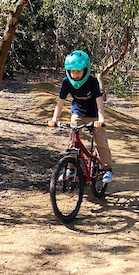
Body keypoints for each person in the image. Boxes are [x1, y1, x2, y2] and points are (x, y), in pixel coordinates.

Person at [48, 50, 114, 183]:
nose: (75, 74)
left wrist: (101, 120)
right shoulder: (66, 82)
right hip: (78, 113)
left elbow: (99, 101)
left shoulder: (92, 82)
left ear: (86, 69)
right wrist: (54, 119)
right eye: (72, 71)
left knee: (101, 142)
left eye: (78, 71)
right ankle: (71, 169)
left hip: (94, 115)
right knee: (73, 141)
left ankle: (107, 169)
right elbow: (61, 102)